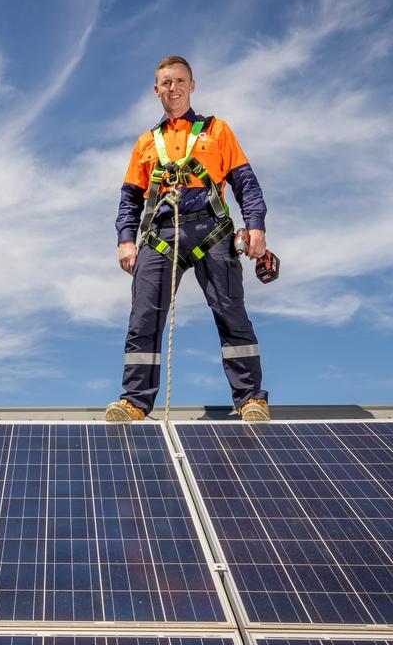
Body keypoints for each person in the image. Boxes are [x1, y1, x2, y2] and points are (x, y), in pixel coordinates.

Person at [105, 55, 270, 422]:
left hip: (211, 230)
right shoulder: (146, 143)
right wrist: (125, 240)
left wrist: (255, 225)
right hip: (161, 235)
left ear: (191, 86)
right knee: (144, 318)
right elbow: (129, 198)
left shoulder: (218, 131)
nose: (173, 89)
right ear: (156, 90)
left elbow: (246, 184)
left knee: (231, 314)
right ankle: (134, 402)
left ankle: (250, 400)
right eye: (166, 83)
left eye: (180, 82)